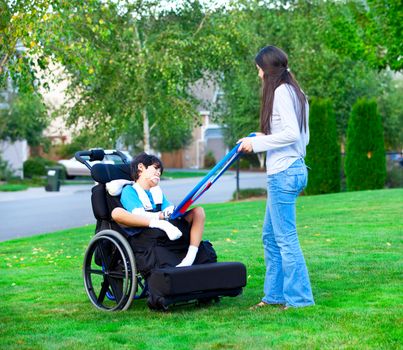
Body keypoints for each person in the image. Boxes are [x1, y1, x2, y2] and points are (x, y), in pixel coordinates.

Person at [238, 45, 314, 309]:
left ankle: (300, 300)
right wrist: (262, 137)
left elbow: (293, 135)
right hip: (293, 168)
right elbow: (299, 136)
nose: (259, 75)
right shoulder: (297, 92)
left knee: (285, 238)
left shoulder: (282, 92)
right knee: (270, 237)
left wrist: (258, 145)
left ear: (268, 69)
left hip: (284, 172)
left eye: (259, 69)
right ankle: (274, 296)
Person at [111, 152, 205, 267]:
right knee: (116, 212)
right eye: (155, 168)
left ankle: (190, 257)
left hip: (166, 230)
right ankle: (162, 225)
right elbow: (137, 214)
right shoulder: (129, 191)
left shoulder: (157, 192)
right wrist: (160, 217)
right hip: (142, 231)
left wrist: (174, 211)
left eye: (160, 171)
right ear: (141, 167)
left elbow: (168, 209)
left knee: (198, 212)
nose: (158, 173)